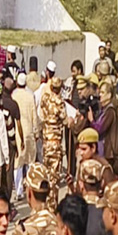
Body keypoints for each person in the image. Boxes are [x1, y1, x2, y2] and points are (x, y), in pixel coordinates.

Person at [40, 77, 67, 206]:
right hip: (55, 142)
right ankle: (52, 206)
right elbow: (65, 119)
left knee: (46, 175)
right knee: (54, 178)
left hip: (46, 142)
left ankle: (45, 203)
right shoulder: (60, 102)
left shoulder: (45, 98)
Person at [12, 72, 37, 196]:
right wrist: (36, 131)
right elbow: (34, 116)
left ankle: (18, 191)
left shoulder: (14, 95)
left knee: (18, 163)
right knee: (30, 162)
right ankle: (30, 188)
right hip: (28, 132)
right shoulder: (30, 96)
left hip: (17, 131)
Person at [97, 82, 118, 176]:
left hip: (109, 153)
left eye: (102, 92)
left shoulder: (110, 111)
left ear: (109, 95)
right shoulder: (104, 110)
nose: (100, 95)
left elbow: (99, 128)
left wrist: (91, 120)